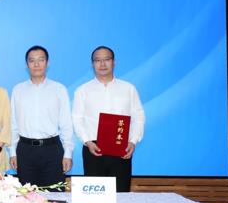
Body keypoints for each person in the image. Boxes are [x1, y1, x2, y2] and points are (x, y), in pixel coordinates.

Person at [72, 46, 145, 192]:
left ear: (114, 62)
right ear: (92, 64)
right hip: (93, 148)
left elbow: (138, 116)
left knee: (121, 194)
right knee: (95, 197)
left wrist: (133, 141)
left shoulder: (128, 88)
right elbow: (77, 118)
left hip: (121, 147)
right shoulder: (83, 90)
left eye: (106, 59)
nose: (102, 64)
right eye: (97, 60)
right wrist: (87, 141)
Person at [10, 45, 73, 187]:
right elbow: (13, 123)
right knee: (25, 197)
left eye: (41, 60)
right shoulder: (18, 90)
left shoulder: (59, 89)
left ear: (47, 63)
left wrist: (68, 153)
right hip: (25, 150)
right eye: (32, 60)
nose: (36, 64)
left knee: (55, 197)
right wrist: (13, 152)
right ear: (27, 64)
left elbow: (66, 124)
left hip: (52, 150)